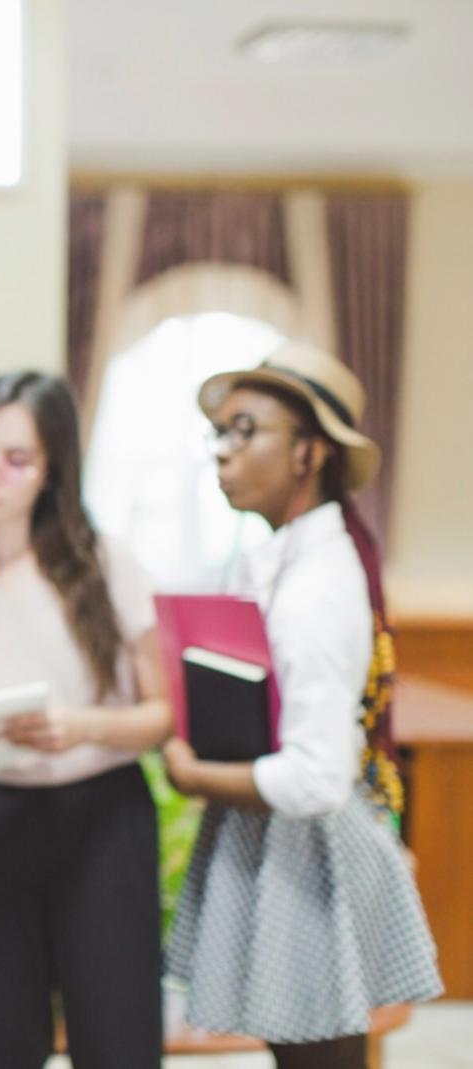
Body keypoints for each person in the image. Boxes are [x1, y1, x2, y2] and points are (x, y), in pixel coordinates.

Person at [162, 343, 441, 1069]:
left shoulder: (319, 583)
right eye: (218, 433)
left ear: (307, 454)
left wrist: (195, 778)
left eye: (245, 429)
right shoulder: (281, 557)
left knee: (318, 1056)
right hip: (281, 837)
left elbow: (316, 777)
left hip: (306, 844)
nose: (223, 452)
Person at [0, 370, 172, 1068]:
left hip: (104, 818)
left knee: (118, 1040)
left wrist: (81, 726)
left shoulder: (105, 563)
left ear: (53, 472)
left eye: (17, 459)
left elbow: (162, 715)